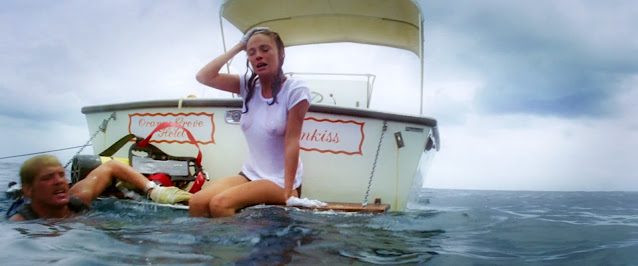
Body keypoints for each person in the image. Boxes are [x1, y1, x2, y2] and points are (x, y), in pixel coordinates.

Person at [190, 27, 310, 218]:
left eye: (265, 49)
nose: (258, 56)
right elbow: (204, 77)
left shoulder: (296, 89)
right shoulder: (247, 86)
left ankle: (234, 247)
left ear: (281, 53)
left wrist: (288, 191)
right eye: (251, 52)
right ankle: (209, 247)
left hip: (280, 180)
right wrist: (239, 46)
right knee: (197, 202)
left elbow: (292, 141)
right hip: (249, 174)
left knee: (220, 204)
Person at [8, 154, 192, 221]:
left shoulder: (77, 200)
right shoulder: (21, 224)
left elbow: (111, 166)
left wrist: (153, 190)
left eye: (61, 175)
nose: (59, 181)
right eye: (48, 178)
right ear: (29, 190)